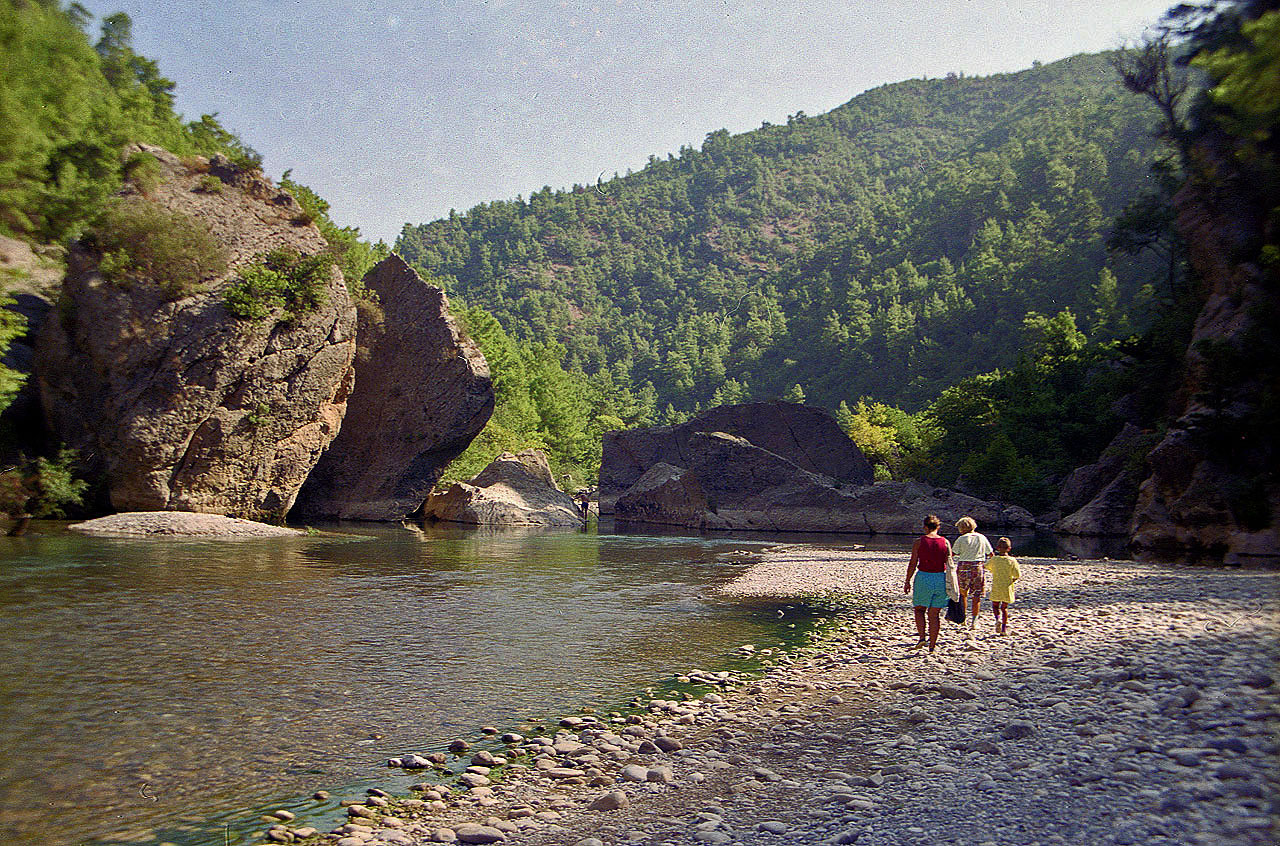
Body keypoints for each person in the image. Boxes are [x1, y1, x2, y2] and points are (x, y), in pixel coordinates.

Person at [904, 514, 952, 652]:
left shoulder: (919, 542)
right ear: (938, 527)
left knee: (919, 609)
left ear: (925, 527)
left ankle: (922, 638)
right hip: (940, 578)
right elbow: (949, 564)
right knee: (934, 614)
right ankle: (932, 646)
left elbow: (913, 563)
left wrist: (907, 581)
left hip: (924, 577)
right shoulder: (946, 542)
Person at [952, 516, 993, 634]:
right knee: (977, 595)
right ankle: (974, 621)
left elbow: (953, 553)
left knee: (963, 594)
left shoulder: (961, 539)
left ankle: (963, 618)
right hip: (978, 567)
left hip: (963, 567)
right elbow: (990, 554)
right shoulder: (982, 538)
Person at [984, 537, 1022, 635]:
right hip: (1007, 587)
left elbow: (986, 566)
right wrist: (1012, 580)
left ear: (997, 548)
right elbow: (1017, 574)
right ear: (1009, 548)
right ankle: (1004, 629)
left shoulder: (994, 559)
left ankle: (997, 619)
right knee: (1004, 608)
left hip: (996, 585)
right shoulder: (1012, 560)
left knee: (995, 605)